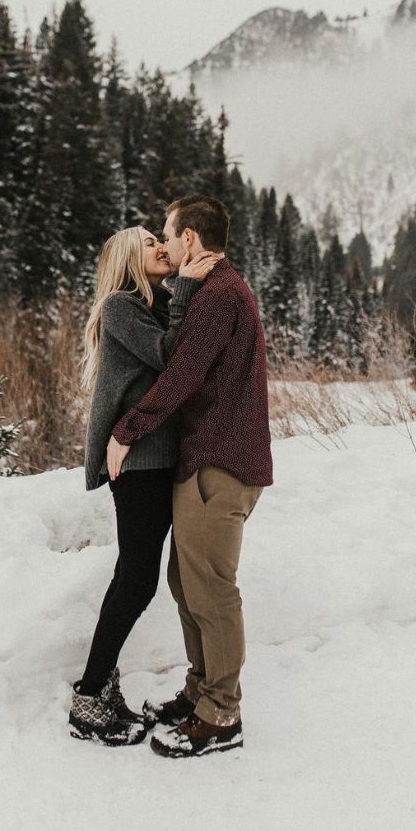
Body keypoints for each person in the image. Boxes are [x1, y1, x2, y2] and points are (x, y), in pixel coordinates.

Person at [107, 194, 273, 759]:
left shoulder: (218, 295)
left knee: (211, 591)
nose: (164, 241)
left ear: (191, 241)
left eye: (168, 233)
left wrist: (127, 429)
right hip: (208, 459)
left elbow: (179, 375)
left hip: (218, 465)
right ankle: (201, 691)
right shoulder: (213, 290)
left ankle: (221, 714)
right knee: (186, 582)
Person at [69, 224, 221, 746]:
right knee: (137, 578)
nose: (162, 247)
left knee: (136, 575)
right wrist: (189, 289)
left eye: (163, 240)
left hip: (156, 459)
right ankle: (89, 699)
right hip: (138, 464)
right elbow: (171, 356)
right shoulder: (121, 305)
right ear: (131, 259)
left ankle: (99, 685)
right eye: (151, 244)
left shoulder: (151, 302)